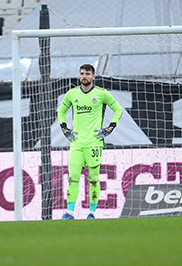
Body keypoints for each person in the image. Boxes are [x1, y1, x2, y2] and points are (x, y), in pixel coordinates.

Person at [58, 64, 123, 220]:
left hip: (94, 143)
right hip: (76, 143)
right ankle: (70, 213)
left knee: (93, 179)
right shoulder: (72, 94)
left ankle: (92, 213)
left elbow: (118, 110)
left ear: (93, 76)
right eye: (81, 74)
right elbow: (61, 111)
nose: (84, 76)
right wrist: (64, 128)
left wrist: (110, 127)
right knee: (73, 178)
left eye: (87, 74)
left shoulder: (101, 94)